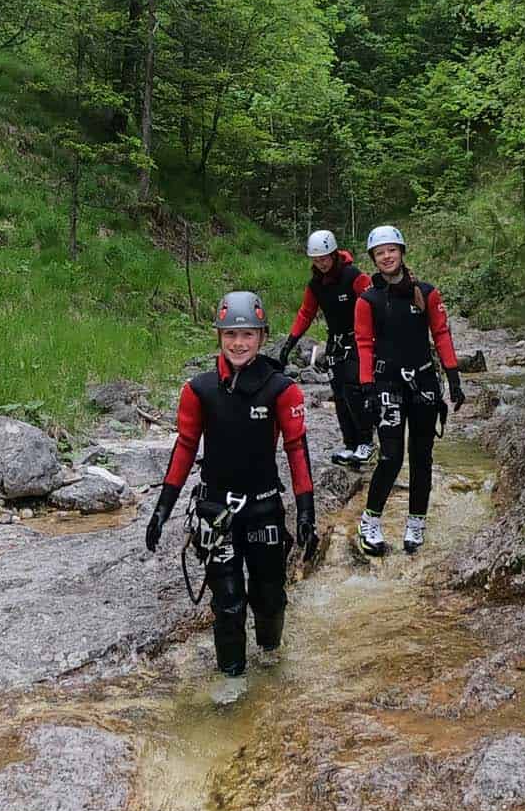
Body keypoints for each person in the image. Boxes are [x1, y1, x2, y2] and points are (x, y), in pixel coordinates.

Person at [144, 290, 316, 693]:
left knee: (269, 596)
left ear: (261, 336)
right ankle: (233, 680)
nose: (239, 343)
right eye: (231, 335)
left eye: (248, 335)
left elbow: (296, 449)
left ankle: (271, 660)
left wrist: (306, 512)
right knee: (228, 602)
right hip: (216, 512)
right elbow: (185, 447)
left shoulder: (281, 389)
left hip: (263, 509)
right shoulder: (199, 390)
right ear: (219, 337)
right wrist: (162, 509)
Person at [352, 225, 464, 557]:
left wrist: (454, 378)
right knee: (390, 457)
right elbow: (363, 344)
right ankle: (370, 520)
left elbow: (441, 334)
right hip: (387, 384)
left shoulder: (426, 293)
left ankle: (416, 522)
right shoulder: (367, 300)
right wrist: (367, 387)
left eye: (392, 250)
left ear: (401, 252)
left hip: (424, 383)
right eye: (379, 252)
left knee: (421, 458)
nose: (387, 257)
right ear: (374, 258)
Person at [275, 229, 374, 466]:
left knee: (353, 389)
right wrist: (290, 343)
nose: (320, 264)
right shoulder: (316, 284)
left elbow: (374, 303)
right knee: (339, 393)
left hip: (358, 341)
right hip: (336, 343)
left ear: (333, 254)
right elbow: (306, 313)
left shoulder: (353, 276)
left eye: (324, 259)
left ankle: (367, 442)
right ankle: (350, 443)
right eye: (316, 261)